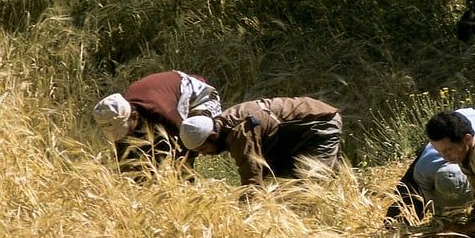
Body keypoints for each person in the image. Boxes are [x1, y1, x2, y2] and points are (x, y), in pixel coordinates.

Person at [384, 107, 475, 225]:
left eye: (449, 152)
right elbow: (422, 197)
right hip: (452, 123)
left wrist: (470, 228)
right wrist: (440, 219)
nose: (445, 155)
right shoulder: (424, 168)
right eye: (442, 151)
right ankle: (392, 229)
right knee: (408, 194)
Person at [179, 96, 342, 187]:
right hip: (294, 135)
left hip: (319, 124)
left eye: (203, 149)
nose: (204, 155)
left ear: (212, 136)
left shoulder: (239, 132)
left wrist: (244, 217)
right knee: (282, 186)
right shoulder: (224, 125)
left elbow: (252, 180)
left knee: (310, 187)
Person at [92, 70, 222, 174]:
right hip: (163, 98)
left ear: (134, 116)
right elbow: (124, 157)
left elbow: (185, 146)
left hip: (200, 98)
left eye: (124, 128)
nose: (123, 134)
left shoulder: (162, 112)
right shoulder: (118, 114)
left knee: (194, 134)